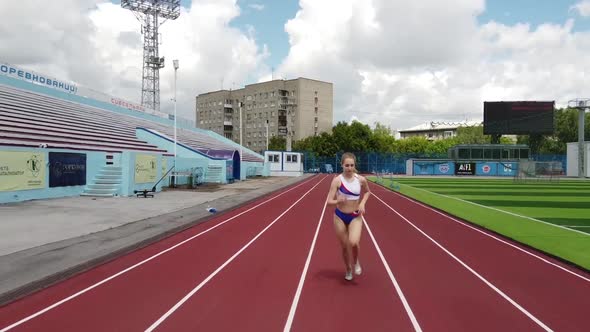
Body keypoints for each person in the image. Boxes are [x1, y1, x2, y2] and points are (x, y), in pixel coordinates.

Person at [327, 152, 371, 281]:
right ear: (342, 165)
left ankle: (356, 261)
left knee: (354, 242)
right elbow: (329, 202)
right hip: (340, 217)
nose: (349, 168)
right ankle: (348, 269)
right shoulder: (337, 180)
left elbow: (368, 192)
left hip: (355, 216)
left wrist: (362, 203)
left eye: (352, 165)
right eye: (347, 165)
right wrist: (338, 201)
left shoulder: (361, 180)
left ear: (354, 165)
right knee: (345, 246)